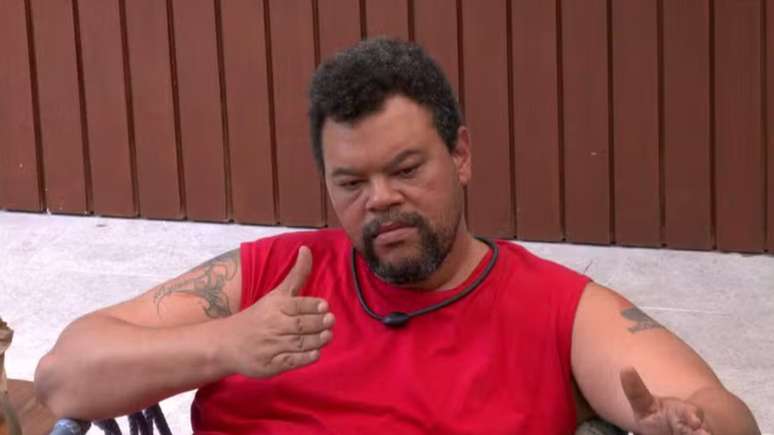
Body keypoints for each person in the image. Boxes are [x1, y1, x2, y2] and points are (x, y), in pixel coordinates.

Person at [35, 38, 759, 435]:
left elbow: (717, 410)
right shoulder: (272, 276)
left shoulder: (555, 310)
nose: (380, 199)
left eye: (406, 169)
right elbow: (64, 377)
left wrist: (691, 427)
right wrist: (227, 345)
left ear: (461, 154)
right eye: (351, 182)